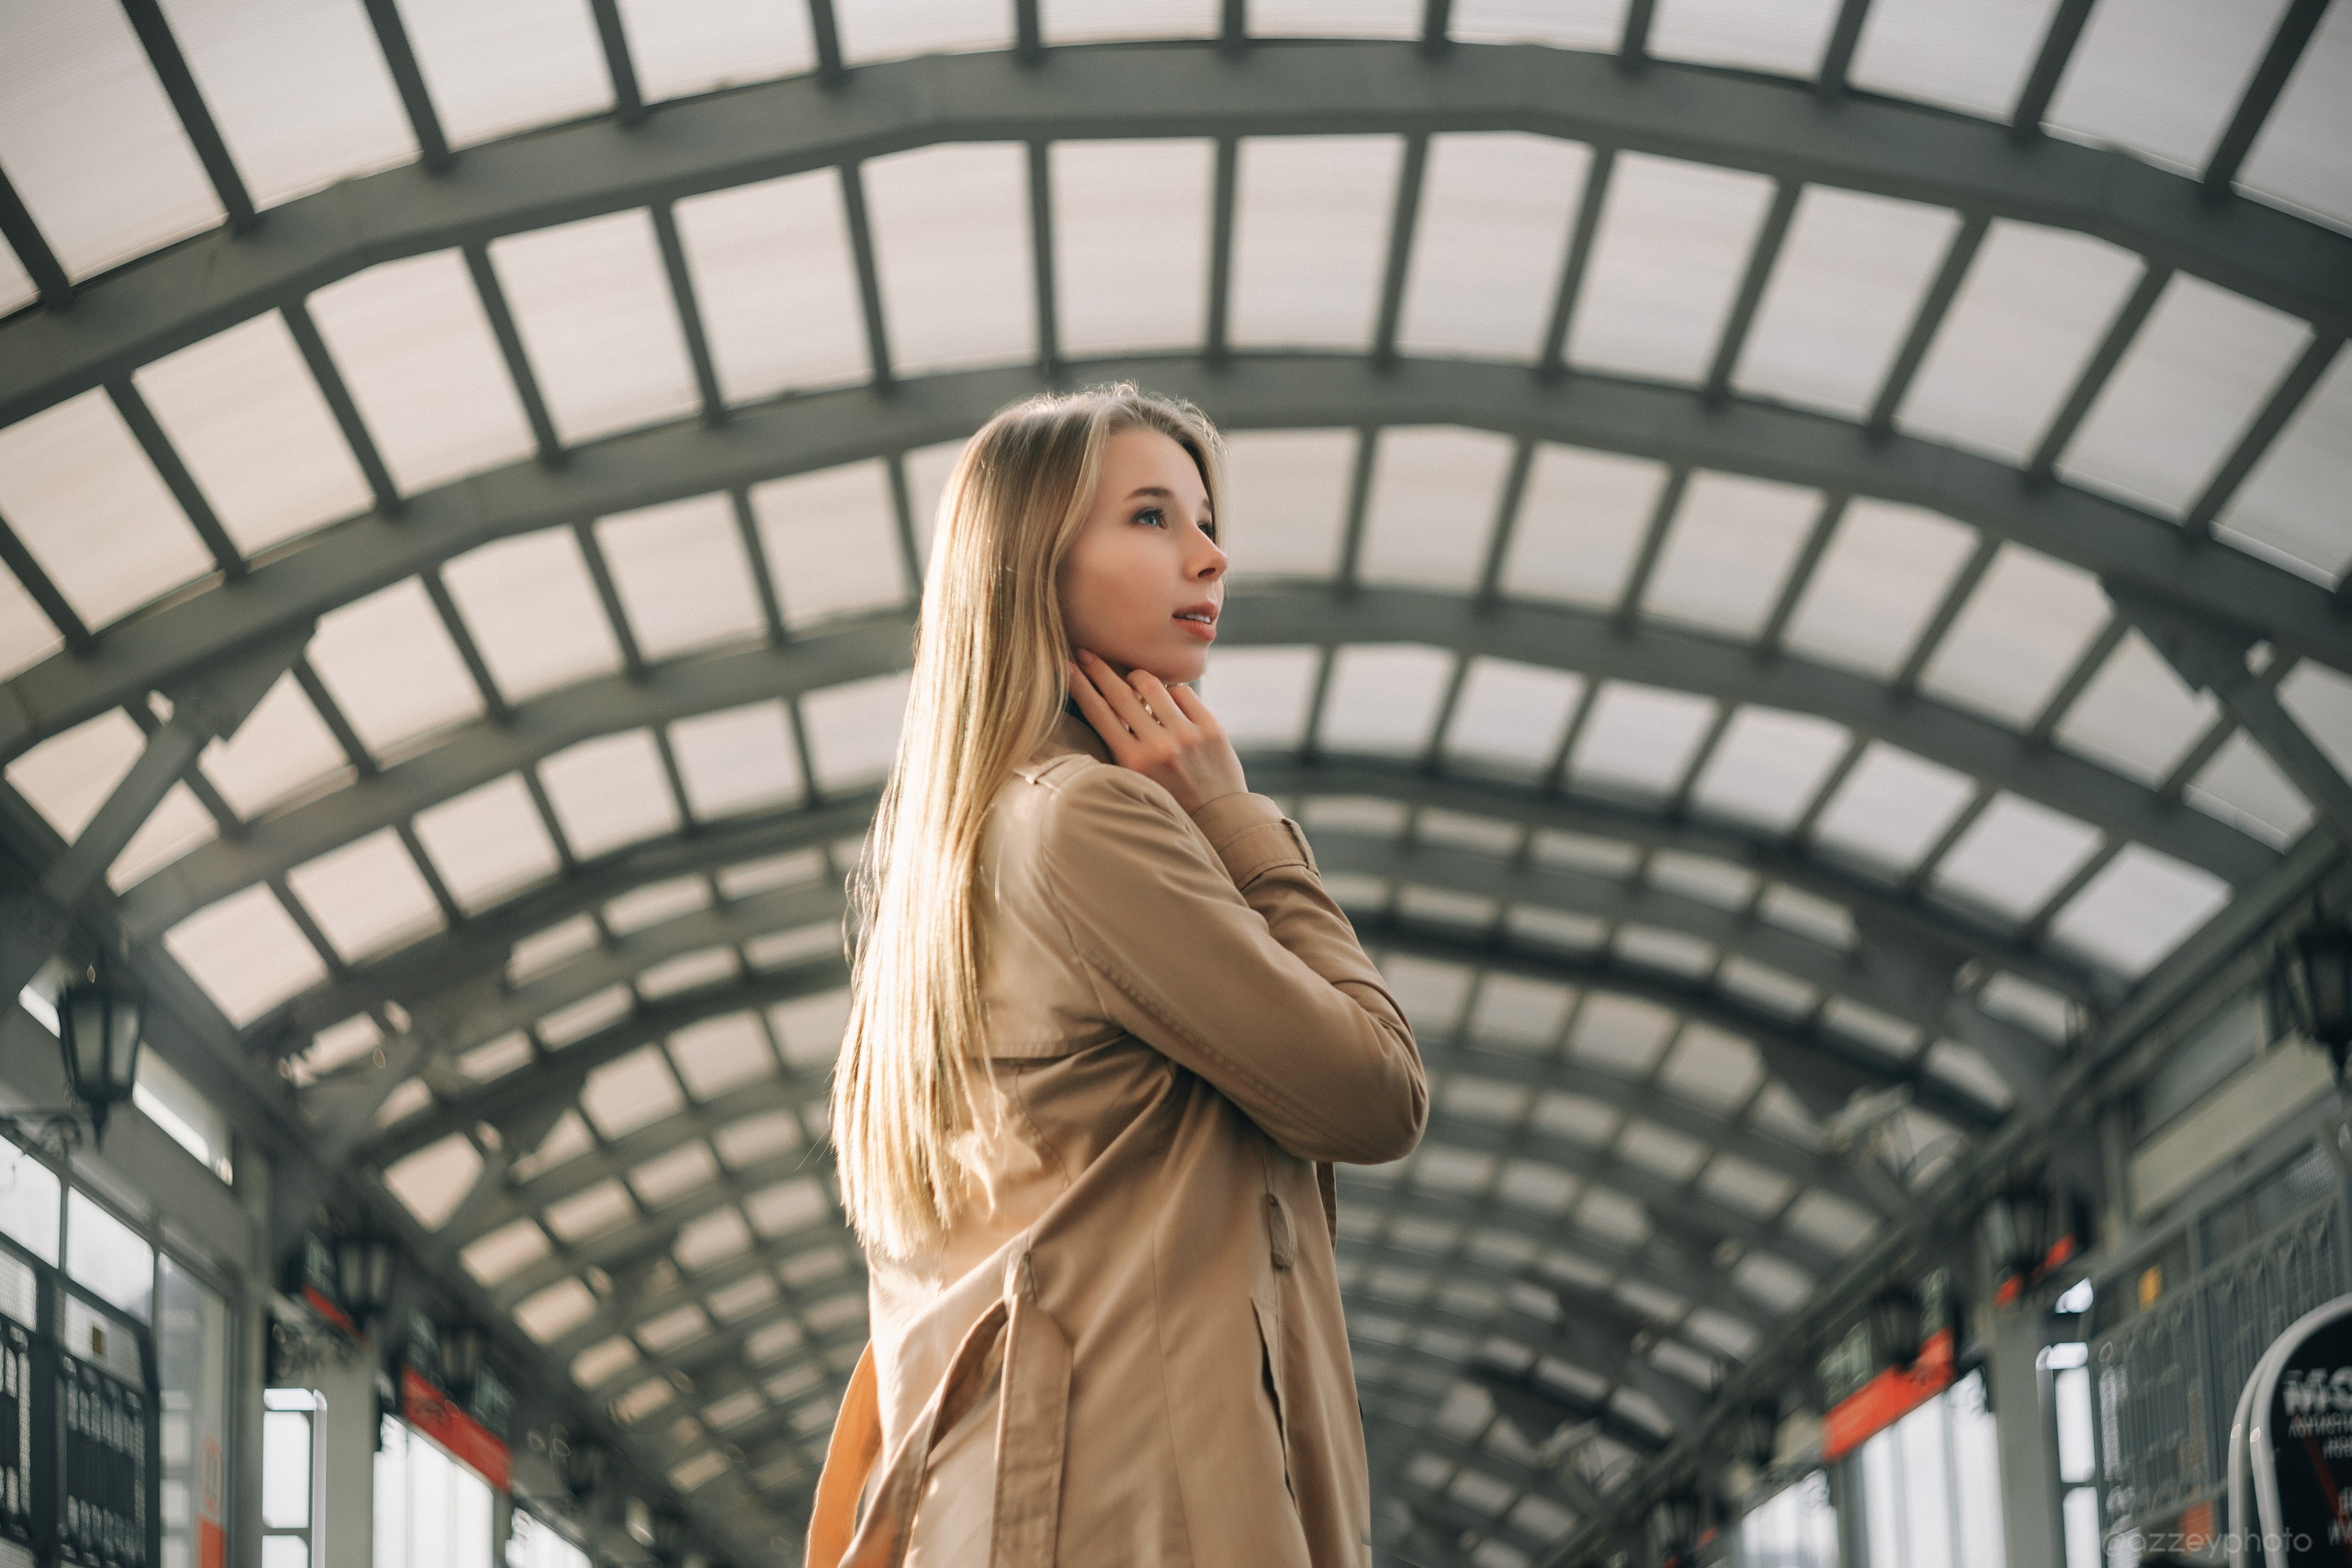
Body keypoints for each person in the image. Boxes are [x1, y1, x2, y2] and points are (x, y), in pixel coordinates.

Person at [807, 383, 1429, 1566]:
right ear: (1032, 564)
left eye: (1203, 517)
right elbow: (1375, 1092)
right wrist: (1237, 822)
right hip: (1155, 1512)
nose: (1211, 554)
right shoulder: (1089, 825)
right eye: (1152, 518)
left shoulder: (956, 853)